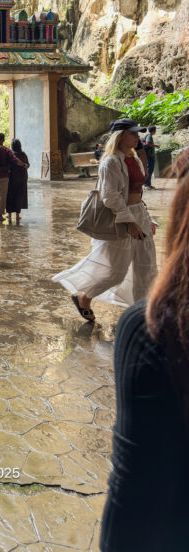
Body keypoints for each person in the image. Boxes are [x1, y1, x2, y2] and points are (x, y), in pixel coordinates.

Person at [100, 149, 189, 551]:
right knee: (120, 273)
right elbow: (111, 195)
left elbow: (129, 513)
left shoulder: (157, 332)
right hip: (128, 223)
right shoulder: (113, 161)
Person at [53, 118, 157, 322]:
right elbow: (110, 196)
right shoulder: (110, 162)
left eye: (137, 134)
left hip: (138, 215)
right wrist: (130, 222)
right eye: (132, 133)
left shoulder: (133, 158)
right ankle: (83, 296)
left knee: (147, 267)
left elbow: (137, 192)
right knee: (115, 272)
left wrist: (146, 218)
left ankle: (143, 315)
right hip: (121, 218)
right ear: (120, 136)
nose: (137, 137)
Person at [0, 133, 24, 221]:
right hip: (4, 177)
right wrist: (23, 164)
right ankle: (1, 216)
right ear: (3, 140)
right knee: (3, 196)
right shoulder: (7, 150)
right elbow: (14, 160)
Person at [5, 139, 30, 223]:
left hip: (12, 178)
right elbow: (28, 165)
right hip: (22, 178)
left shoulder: (10, 155)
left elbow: (7, 166)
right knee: (20, 195)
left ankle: (9, 214)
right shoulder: (23, 155)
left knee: (10, 195)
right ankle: (17, 215)